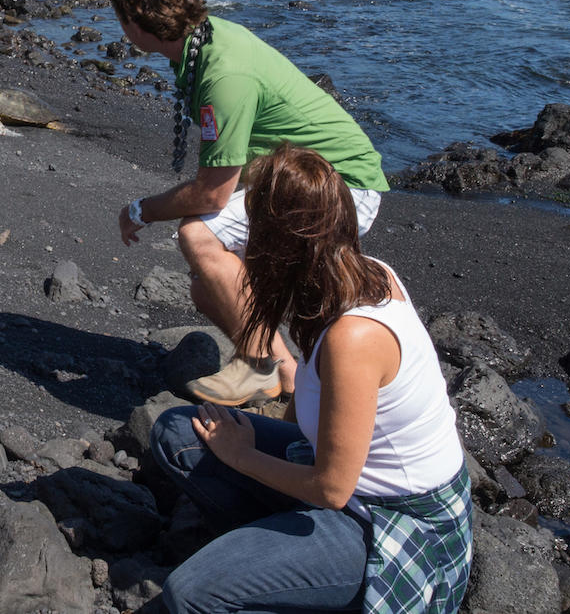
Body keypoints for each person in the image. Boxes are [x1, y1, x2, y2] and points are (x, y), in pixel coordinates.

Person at [149, 144, 472, 614]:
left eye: (255, 227)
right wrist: (260, 451)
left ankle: (299, 578)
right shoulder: (350, 274)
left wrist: (243, 456)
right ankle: (283, 566)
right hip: (339, 482)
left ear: (280, 244)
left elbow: (332, 489)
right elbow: (309, 396)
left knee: (191, 595)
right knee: (177, 432)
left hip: (391, 520)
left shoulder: (355, 338)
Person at [109, 0, 388, 406]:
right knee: (209, 287)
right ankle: (286, 374)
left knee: (198, 236)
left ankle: (257, 366)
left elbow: (213, 191)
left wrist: (140, 210)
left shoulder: (224, 74)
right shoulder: (203, 41)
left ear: (135, 26)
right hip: (302, 179)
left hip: (341, 188)